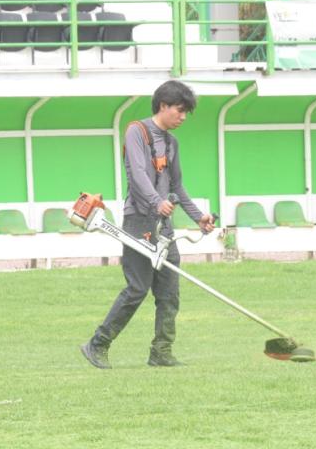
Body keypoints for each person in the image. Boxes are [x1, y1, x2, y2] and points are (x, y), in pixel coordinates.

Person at [80, 80, 216, 369]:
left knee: (169, 293)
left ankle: (161, 351)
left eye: (185, 114)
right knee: (137, 289)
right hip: (138, 221)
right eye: (179, 111)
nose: (182, 118)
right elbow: (138, 174)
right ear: (163, 105)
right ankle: (97, 344)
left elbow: (177, 186)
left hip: (164, 227)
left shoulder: (172, 142)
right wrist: (156, 201)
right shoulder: (136, 131)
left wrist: (198, 217)